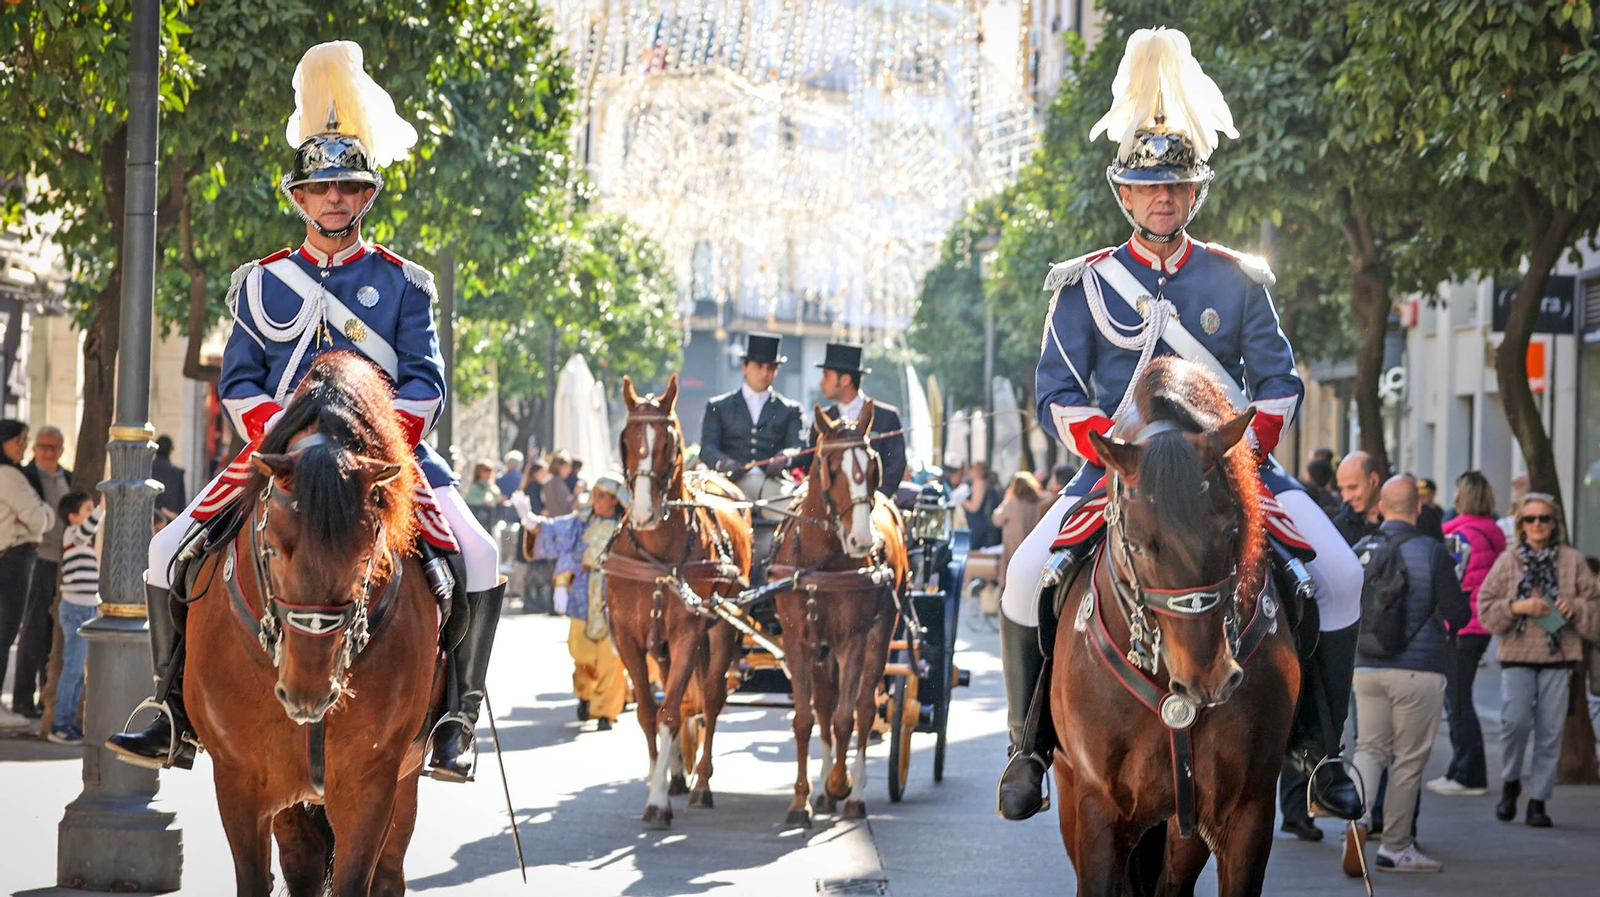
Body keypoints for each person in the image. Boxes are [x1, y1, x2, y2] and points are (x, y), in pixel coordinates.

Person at [994, 28, 1364, 824]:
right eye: (1148, 188)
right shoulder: (1084, 285)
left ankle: (1320, 752)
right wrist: (1123, 460)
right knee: (1026, 577)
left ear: (1196, 194)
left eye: (1178, 187)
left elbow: (1278, 383)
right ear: (1123, 194)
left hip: (1232, 473)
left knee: (1339, 576)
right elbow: (1058, 391)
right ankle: (1028, 748)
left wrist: (1230, 462)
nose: (1164, 199)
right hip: (1115, 473)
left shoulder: (1237, 280)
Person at [108, 42, 503, 784]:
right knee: (164, 555)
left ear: (365, 197)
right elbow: (241, 378)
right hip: (278, 456)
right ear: (298, 197)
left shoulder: (405, 285)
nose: (333, 199)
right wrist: (290, 441)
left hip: (382, 460)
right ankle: (170, 709)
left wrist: (359, 447)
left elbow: (424, 384)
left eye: (347, 187)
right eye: (320, 188)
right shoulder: (261, 284)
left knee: (480, 558)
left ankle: (456, 718)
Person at [1344, 476, 1469, 875]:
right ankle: (1395, 847)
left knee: (1369, 750)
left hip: (1365, 668)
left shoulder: (1361, 549)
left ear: (1380, 507)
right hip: (1419, 672)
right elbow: (1459, 615)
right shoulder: (1432, 552)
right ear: (1418, 509)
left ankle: (1357, 822)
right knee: (1408, 761)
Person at [1476, 492, 1600, 828]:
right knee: (1514, 724)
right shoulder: (1509, 560)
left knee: (1550, 732)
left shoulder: (1573, 561)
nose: (1537, 525)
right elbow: (1485, 607)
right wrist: (1517, 607)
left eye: (1544, 518)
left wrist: (1575, 607)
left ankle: (1538, 801)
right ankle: (1511, 781)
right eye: (1530, 519)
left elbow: (1596, 608)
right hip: (1517, 654)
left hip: (1559, 656)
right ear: (1520, 524)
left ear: (1554, 523)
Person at [513, 474, 630, 729]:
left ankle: (604, 712)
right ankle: (586, 694)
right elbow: (555, 532)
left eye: (602, 496)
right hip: (581, 593)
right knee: (581, 651)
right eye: (595, 494)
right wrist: (530, 520)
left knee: (612, 657)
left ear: (614, 500)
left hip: (616, 595)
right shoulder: (581, 522)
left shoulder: (628, 526)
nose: (595, 500)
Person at [1429, 471, 1504, 797]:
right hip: (1481, 625)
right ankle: (1463, 770)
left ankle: (1467, 773)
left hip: (1461, 626)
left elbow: (1451, 583)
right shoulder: (1494, 533)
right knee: (1461, 698)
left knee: (1457, 701)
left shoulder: (1459, 536)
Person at [0, 419, 54, 730]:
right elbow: (40, 518)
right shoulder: (10, 476)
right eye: (18, 440)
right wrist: (42, 512)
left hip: (14, 559)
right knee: (6, 634)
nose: (22, 446)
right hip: (15, 561)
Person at [800, 342, 906, 497]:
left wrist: (874, 498)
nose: (821, 382)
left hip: (873, 504)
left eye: (826, 375)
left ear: (844, 380)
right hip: (831, 507)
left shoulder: (887, 417)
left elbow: (896, 465)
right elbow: (811, 464)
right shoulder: (824, 419)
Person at [14, 425, 70, 719]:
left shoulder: (69, 478)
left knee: (53, 635)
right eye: (44, 446)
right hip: (36, 560)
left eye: (54, 447)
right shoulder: (25, 477)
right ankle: (22, 698)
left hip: (63, 563)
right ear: (35, 449)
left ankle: (44, 694)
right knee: (33, 631)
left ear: (61, 450)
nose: (49, 452)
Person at [48, 492, 104, 746]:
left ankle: (67, 722)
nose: (92, 514)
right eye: (87, 510)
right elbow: (88, 528)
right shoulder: (73, 535)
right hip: (76, 610)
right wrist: (102, 507)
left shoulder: (85, 544)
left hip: (86, 609)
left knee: (77, 671)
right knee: (72, 669)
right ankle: (60, 724)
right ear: (73, 517)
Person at [992, 472, 1045, 595]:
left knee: (1010, 585)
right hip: (1031, 549)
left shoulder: (1011, 503)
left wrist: (1006, 498)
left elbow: (996, 519)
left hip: (1013, 548)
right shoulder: (1037, 502)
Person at [1333, 451, 1384, 545]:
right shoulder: (1338, 528)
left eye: (1352, 488)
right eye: (1342, 489)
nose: (1346, 497)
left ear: (1373, 480)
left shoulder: (1400, 518)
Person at [150, 435, 187, 519]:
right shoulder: (178, 473)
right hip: (171, 522)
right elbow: (182, 504)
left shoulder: (146, 470)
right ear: (172, 449)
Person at [463, 460, 503, 532]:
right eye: (486, 470)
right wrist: (483, 502)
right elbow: (470, 501)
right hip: (480, 522)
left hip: (493, 522)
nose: (489, 473)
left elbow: (496, 499)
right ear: (479, 472)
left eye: (490, 470)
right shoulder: (475, 488)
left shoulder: (493, 488)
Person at [542, 452, 577, 517]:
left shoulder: (551, 481)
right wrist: (576, 493)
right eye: (566, 467)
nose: (569, 470)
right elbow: (564, 506)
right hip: (560, 522)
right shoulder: (556, 482)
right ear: (558, 467)